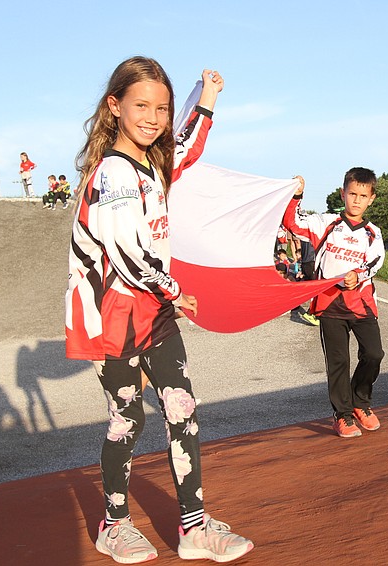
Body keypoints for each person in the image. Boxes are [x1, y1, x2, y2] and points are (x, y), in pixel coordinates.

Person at [65, 57, 252, 564]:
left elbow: (185, 148)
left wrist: (207, 100)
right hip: (115, 314)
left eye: (163, 108)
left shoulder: (153, 161)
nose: (153, 117)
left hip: (155, 310)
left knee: (183, 413)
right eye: (141, 105)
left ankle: (193, 527)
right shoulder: (113, 173)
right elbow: (126, 254)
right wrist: (175, 290)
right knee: (127, 421)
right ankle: (114, 522)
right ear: (114, 106)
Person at [282, 168, 386, 438]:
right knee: (338, 362)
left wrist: (357, 275)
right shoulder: (324, 223)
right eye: (352, 194)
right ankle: (343, 415)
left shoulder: (373, 233)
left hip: (361, 304)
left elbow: (375, 262)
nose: (356, 200)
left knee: (374, 354)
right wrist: (297, 195)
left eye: (363, 195)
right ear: (343, 193)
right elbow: (292, 223)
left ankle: (360, 402)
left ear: (371, 198)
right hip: (329, 306)